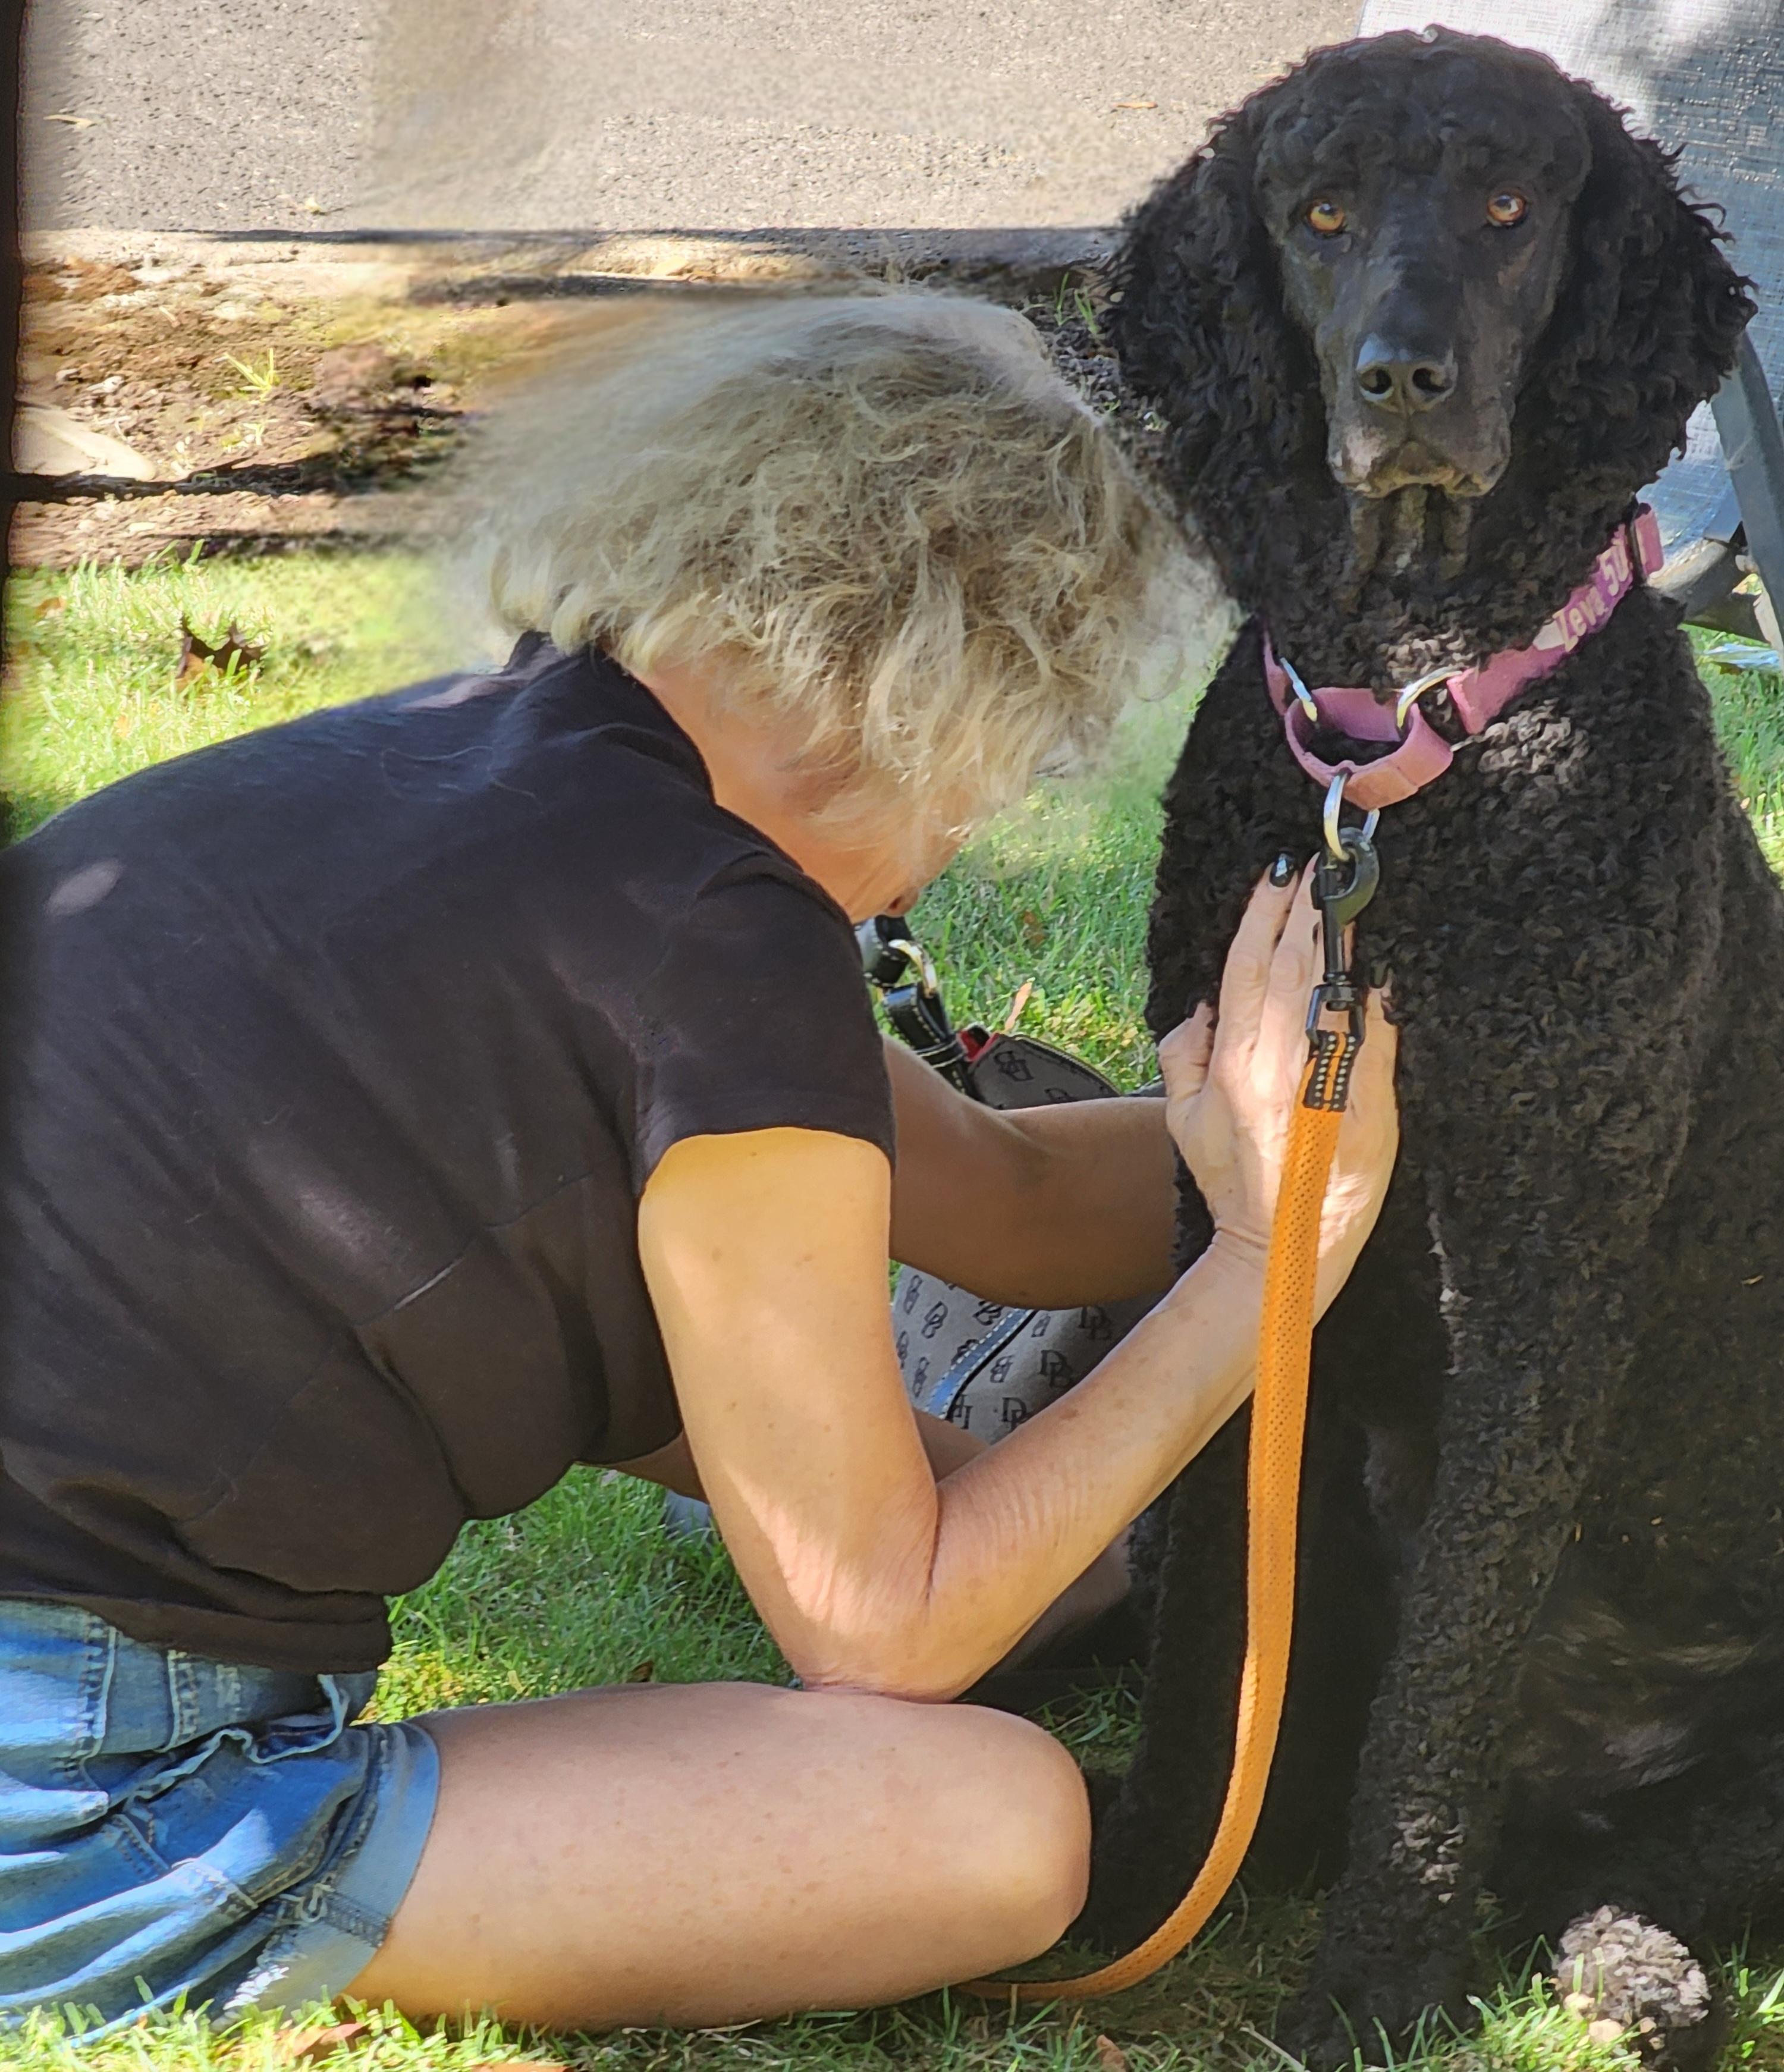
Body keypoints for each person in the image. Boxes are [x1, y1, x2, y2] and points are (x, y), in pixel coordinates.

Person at [0, 294, 1397, 2035]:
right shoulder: (721, 952)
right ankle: (225, 1882)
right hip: (77, 1788)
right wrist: (1271, 1261)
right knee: (1003, 1817)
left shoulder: (489, 760)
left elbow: (1014, 1198)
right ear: (969, 685)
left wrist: (1345, 1153)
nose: (976, 826)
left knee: (1034, 1523)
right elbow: (884, 1633)